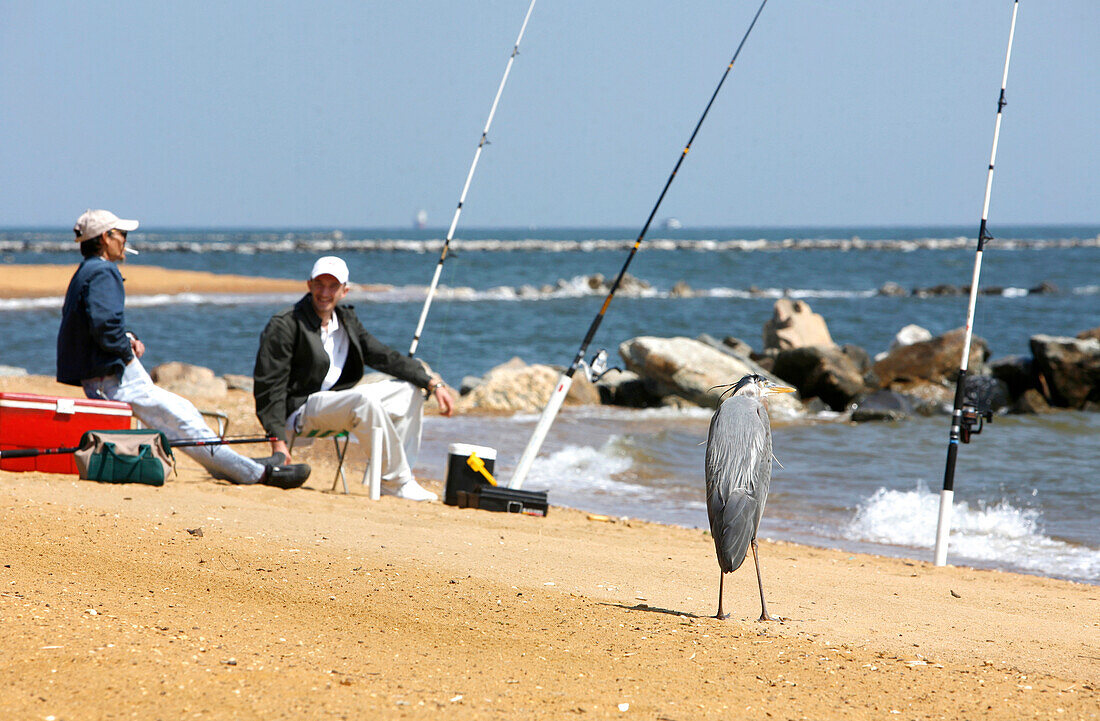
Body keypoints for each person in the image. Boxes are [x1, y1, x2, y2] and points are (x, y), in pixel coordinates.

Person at [56, 209, 311, 489]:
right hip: (113, 375)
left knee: (183, 412)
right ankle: (256, 474)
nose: (125, 241)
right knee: (181, 422)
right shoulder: (104, 271)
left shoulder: (86, 272)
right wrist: (126, 352)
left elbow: (96, 324)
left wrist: (126, 337)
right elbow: (104, 325)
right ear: (106, 237)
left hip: (105, 373)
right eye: (123, 235)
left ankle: (236, 466)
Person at [253, 256, 457, 501]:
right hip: (299, 413)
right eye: (319, 284)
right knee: (363, 399)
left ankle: (391, 479)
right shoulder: (286, 324)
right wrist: (277, 441)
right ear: (309, 285)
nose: (325, 292)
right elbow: (268, 388)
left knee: (409, 391)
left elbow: (385, 356)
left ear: (345, 291)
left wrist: (432, 383)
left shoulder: (347, 321)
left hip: (337, 403)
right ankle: (398, 481)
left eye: (333, 286)